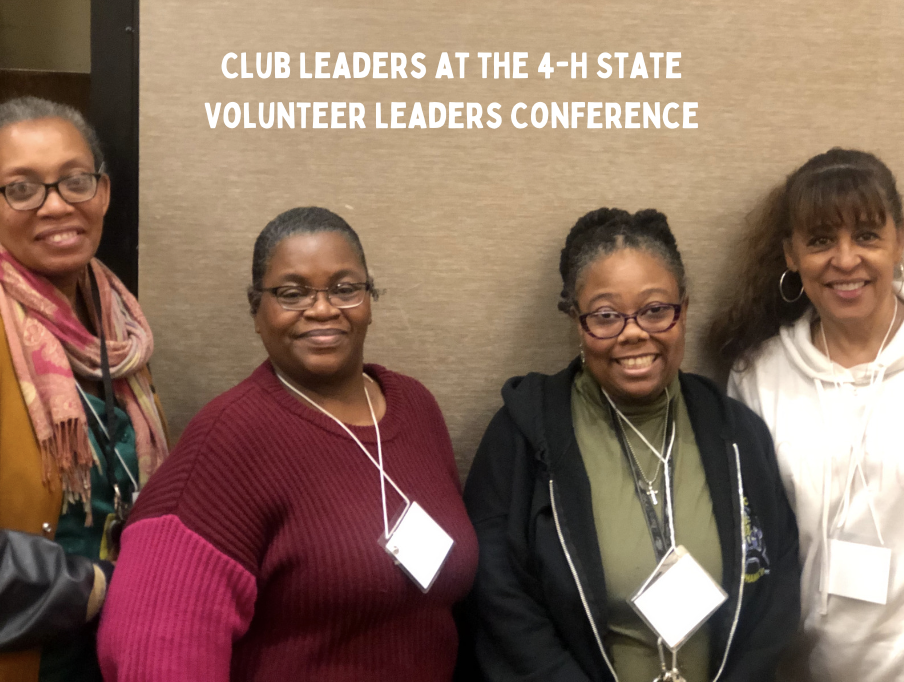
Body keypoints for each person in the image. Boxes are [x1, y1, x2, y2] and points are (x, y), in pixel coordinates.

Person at [97, 206, 479, 681]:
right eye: (292, 293)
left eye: (344, 288)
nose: (323, 309)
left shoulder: (415, 409)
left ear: (369, 299)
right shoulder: (229, 437)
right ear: (257, 310)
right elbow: (153, 652)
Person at [462, 207, 800, 682]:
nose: (634, 332)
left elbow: (778, 585)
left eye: (656, 309)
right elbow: (501, 600)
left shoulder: (737, 433)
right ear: (576, 321)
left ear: (684, 306)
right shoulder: (522, 435)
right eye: (605, 315)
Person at [711, 148, 904, 681]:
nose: (845, 260)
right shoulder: (758, 378)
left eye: (867, 235)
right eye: (821, 240)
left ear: (899, 241)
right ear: (791, 255)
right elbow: (754, 545)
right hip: (807, 669)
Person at [0, 96, 169, 682]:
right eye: (21, 188)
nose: (55, 206)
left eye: (74, 181)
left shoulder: (115, 321)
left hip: (114, 644)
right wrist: (98, 586)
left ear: (102, 192)